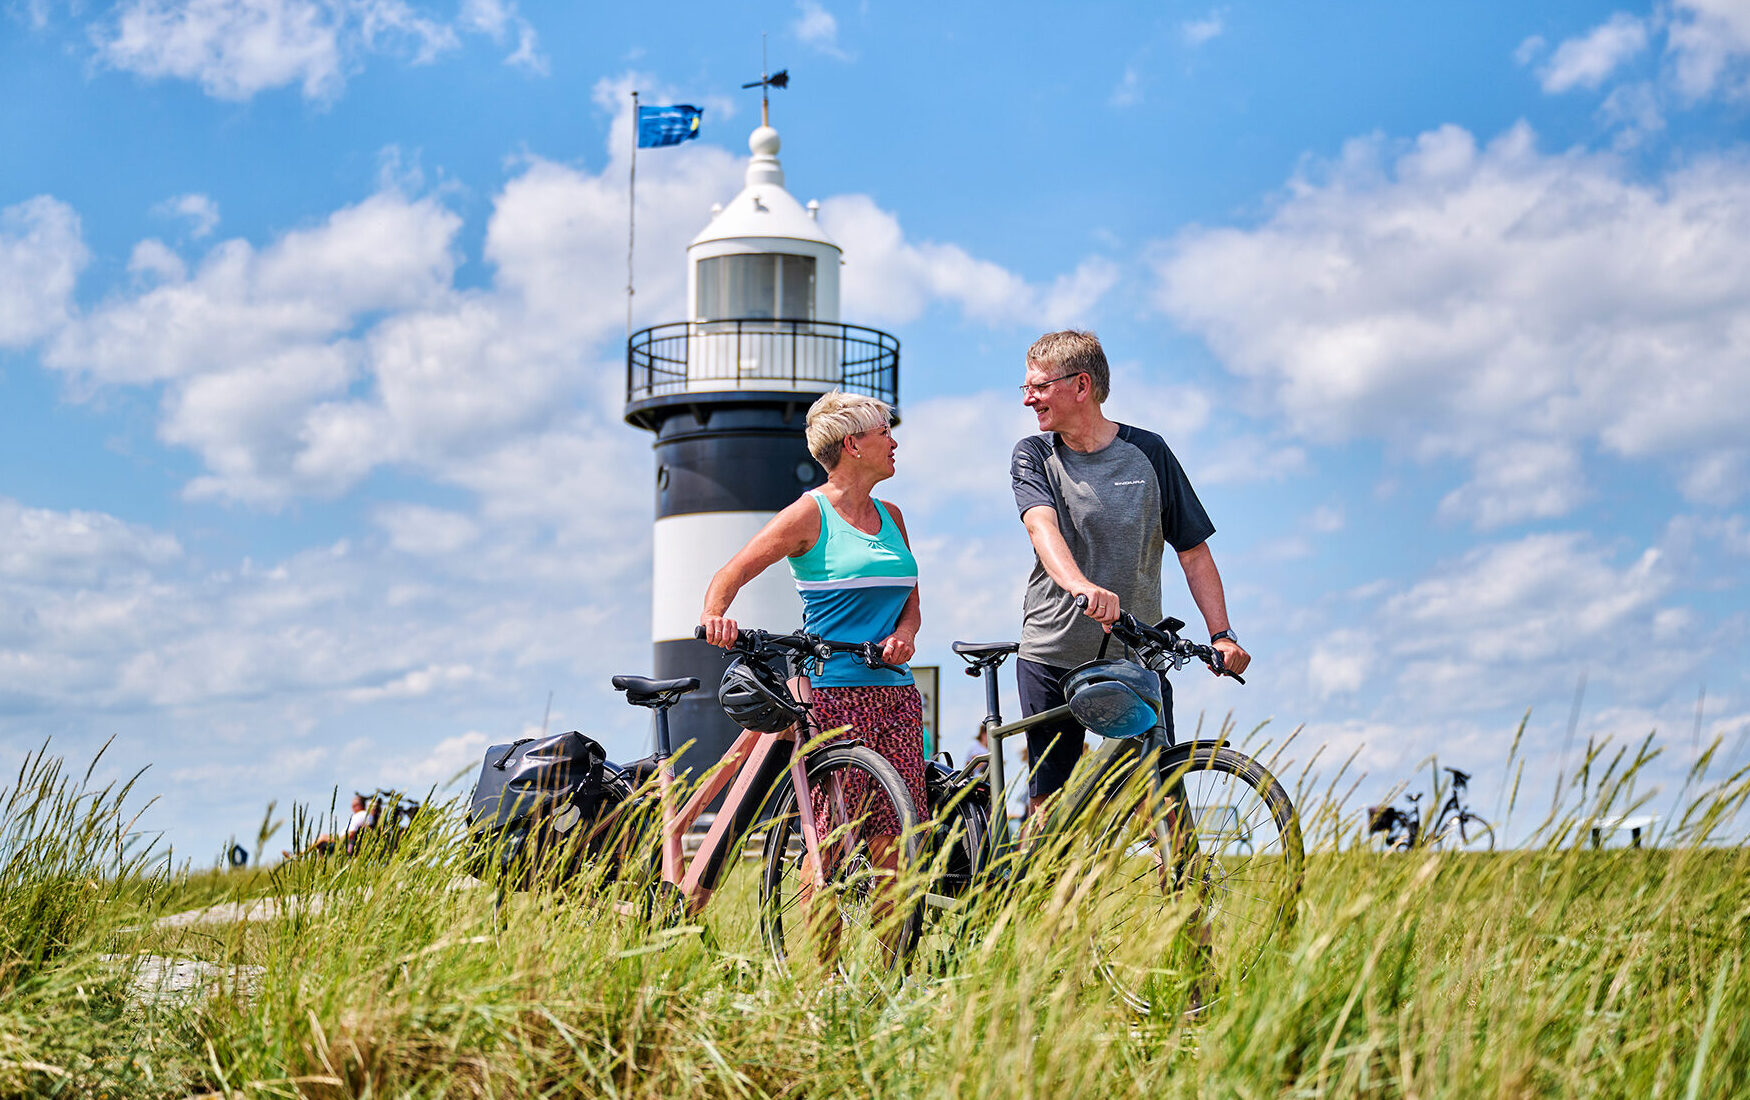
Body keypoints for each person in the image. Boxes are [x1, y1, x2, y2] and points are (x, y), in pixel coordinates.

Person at [699, 390, 925, 953]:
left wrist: (907, 634)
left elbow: (910, 597)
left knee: (896, 843)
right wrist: (714, 617)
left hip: (895, 696)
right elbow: (731, 572)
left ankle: (886, 976)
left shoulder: (892, 516)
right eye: (884, 432)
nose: (894, 441)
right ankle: (822, 984)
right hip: (831, 694)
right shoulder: (809, 514)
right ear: (853, 444)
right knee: (831, 843)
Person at [1010, 330, 1251, 814]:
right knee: (1049, 808)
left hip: (1137, 652)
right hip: (1052, 653)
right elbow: (1041, 528)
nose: (1028, 399)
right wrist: (1080, 587)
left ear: (1081, 386)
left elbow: (1194, 553)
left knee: (1161, 795)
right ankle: (1037, 890)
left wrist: (1222, 634)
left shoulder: (1150, 452)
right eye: (1025, 388)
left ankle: (1185, 885)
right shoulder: (1034, 454)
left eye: (1038, 386)